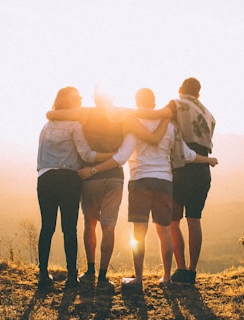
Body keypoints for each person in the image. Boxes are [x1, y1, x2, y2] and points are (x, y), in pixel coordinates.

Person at [77, 88, 218, 289]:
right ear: (154, 103)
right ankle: (167, 277)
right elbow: (186, 154)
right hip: (164, 181)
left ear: (137, 102)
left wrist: (94, 169)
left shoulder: (134, 124)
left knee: (139, 233)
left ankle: (138, 279)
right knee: (165, 231)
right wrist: (208, 160)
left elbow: (121, 157)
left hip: (140, 181)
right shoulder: (169, 125)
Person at [46, 89, 168, 290]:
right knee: (108, 226)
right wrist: (166, 115)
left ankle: (90, 271)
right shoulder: (124, 115)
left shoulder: (85, 113)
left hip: (90, 176)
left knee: (90, 223)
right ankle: (103, 277)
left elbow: (53, 114)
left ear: (95, 98)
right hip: (114, 177)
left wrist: (51, 114)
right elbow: (151, 126)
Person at [133, 77, 217, 285]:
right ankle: (191, 271)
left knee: (173, 220)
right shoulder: (208, 114)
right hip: (202, 169)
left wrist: (127, 114)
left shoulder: (176, 104)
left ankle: (179, 269)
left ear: (181, 89)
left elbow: (155, 115)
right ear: (199, 94)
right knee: (195, 219)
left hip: (182, 167)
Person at [37, 87, 113, 289]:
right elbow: (86, 155)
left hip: (45, 178)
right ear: (71, 103)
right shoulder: (75, 125)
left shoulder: (47, 125)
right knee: (69, 229)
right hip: (68, 179)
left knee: (47, 228)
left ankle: (43, 275)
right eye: (77, 98)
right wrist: (110, 156)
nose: (80, 101)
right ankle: (72, 277)